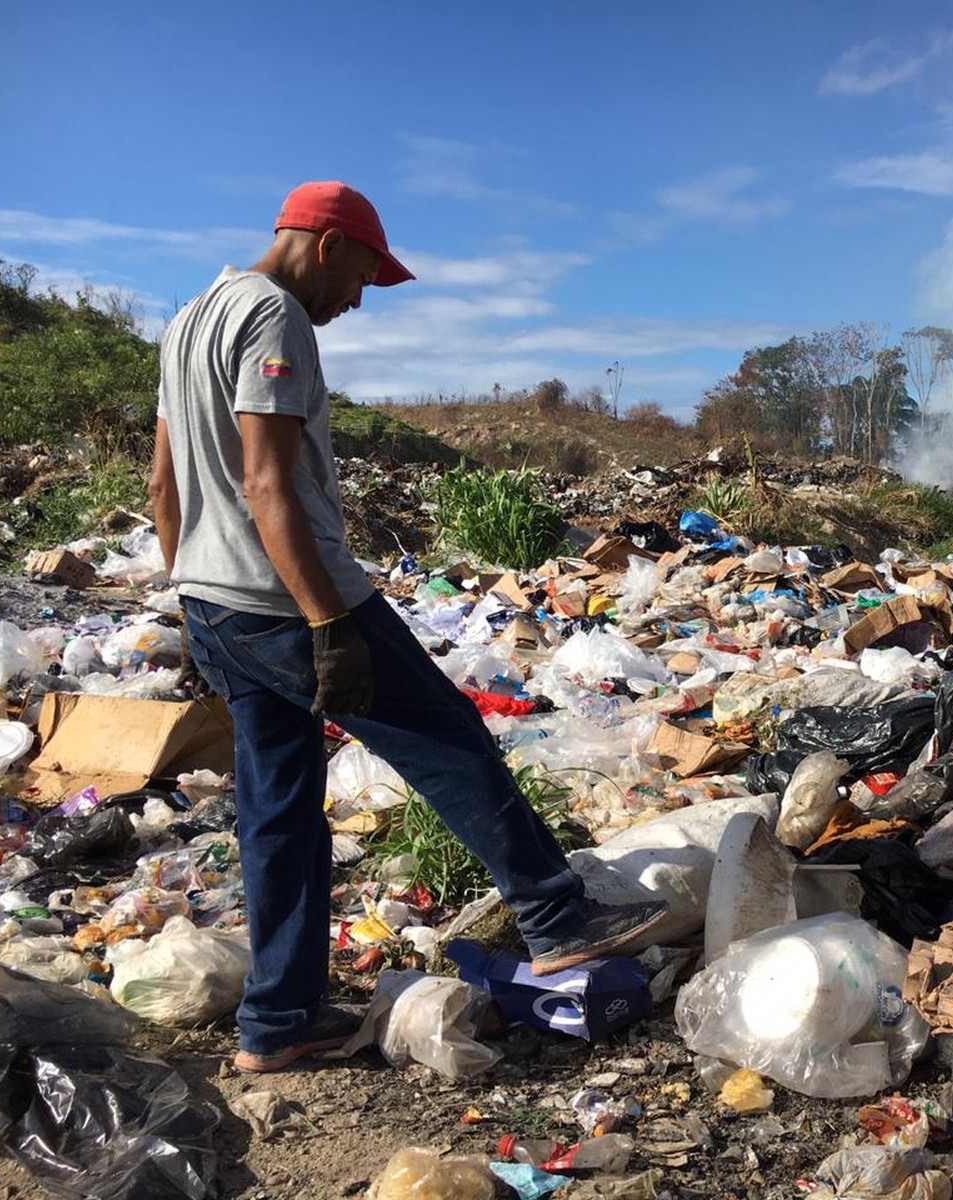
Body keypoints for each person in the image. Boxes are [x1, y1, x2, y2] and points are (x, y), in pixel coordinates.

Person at [150, 181, 665, 1074]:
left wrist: (189, 596)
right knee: (446, 737)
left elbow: (165, 482)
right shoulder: (275, 317)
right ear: (326, 243)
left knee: (280, 813)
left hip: (214, 602)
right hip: (289, 600)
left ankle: (277, 1024)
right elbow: (266, 483)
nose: (356, 300)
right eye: (361, 277)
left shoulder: (189, 318)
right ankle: (556, 917)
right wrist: (327, 621)